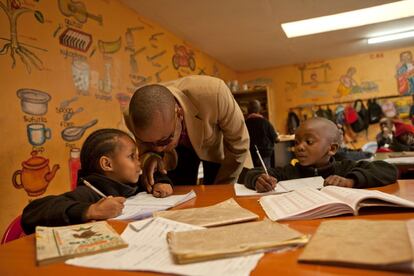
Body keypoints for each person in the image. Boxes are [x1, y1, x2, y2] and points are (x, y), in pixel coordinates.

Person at [21, 128, 173, 234]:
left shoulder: (130, 183)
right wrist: (91, 210)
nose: (138, 162)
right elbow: (31, 214)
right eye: (131, 156)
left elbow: (153, 176)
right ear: (107, 164)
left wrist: (161, 181)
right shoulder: (88, 193)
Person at [125, 75, 250, 190]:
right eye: (150, 143)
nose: (158, 149)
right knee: (178, 192)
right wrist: (151, 156)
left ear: (179, 114)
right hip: (176, 154)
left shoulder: (214, 94)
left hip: (214, 148)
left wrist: (223, 187)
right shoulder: (132, 115)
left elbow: (238, 143)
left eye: (164, 140)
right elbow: (146, 151)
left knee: (217, 189)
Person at [244, 117, 397, 192]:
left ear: (332, 149)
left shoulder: (345, 169)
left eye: (308, 142)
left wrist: (351, 181)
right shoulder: (288, 172)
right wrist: (258, 179)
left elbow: (388, 170)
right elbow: (252, 172)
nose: (299, 148)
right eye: (296, 143)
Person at [245, 100, 278, 168]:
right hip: (265, 153)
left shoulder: (245, 124)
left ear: (248, 110)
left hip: (251, 154)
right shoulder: (265, 122)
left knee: (256, 174)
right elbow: (276, 139)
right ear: (259, 109)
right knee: (266, 173)